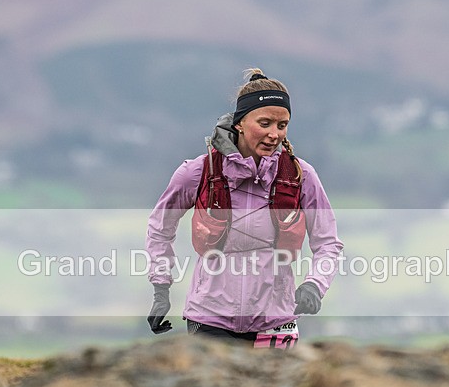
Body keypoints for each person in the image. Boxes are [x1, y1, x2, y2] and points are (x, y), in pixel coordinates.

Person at [145, 68, 343, 348]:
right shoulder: (199, 172)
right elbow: (160, 227)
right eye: (265, 123)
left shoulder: (300, 176)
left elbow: (328, 243)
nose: (274, 134)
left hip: (277, 318)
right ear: (239, 123)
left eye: (282, 125)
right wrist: (161, 288)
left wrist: (315, 285)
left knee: (278, 381)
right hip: (210, 318)